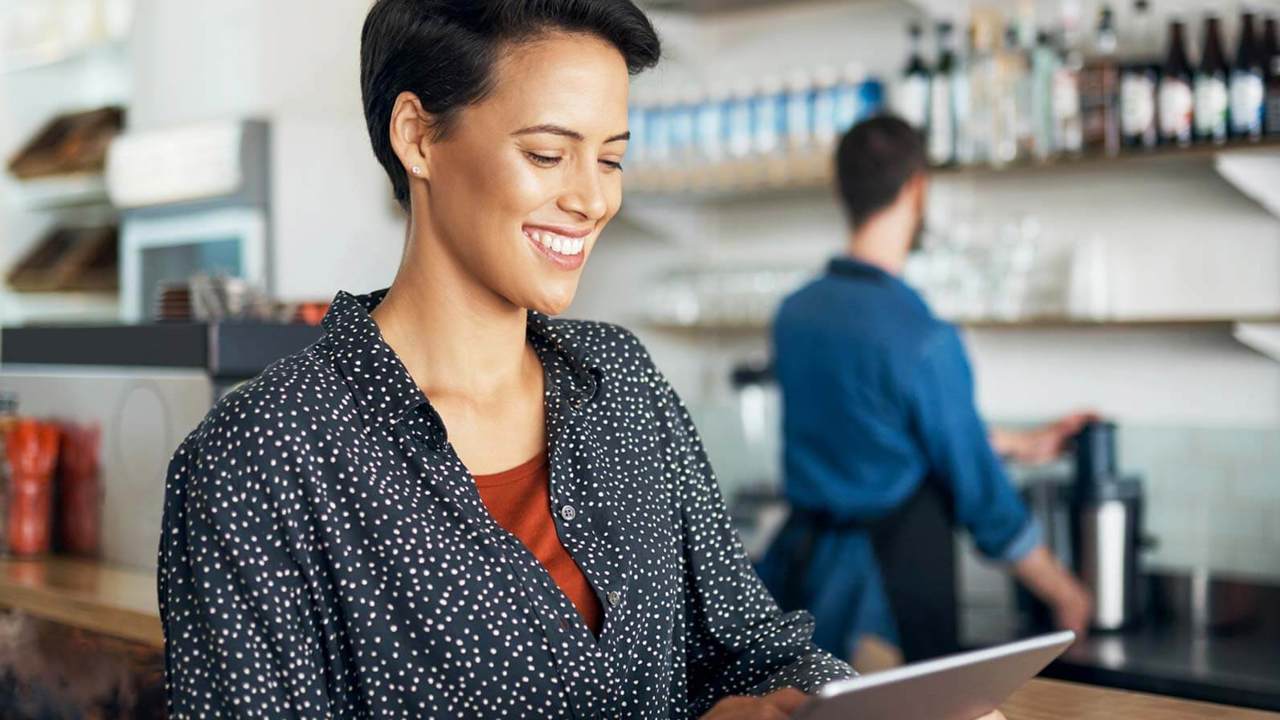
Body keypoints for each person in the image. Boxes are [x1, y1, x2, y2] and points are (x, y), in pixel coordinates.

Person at [154, 2, 872, 718]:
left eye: (612, 158)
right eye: (547, 155)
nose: (593, 198)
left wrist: (862, 707)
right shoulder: (256, 459)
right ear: (418, 137)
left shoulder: (623, 384)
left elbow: (752, 651)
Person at [758, 116, 1094, 670]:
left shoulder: (795, 314)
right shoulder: (923, 338)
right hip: (883, 605)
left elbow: (871, 429)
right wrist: (1064, 592)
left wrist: (1013, 443)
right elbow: (983, 500)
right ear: (917, 189)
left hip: (802, 580)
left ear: (843, 189)